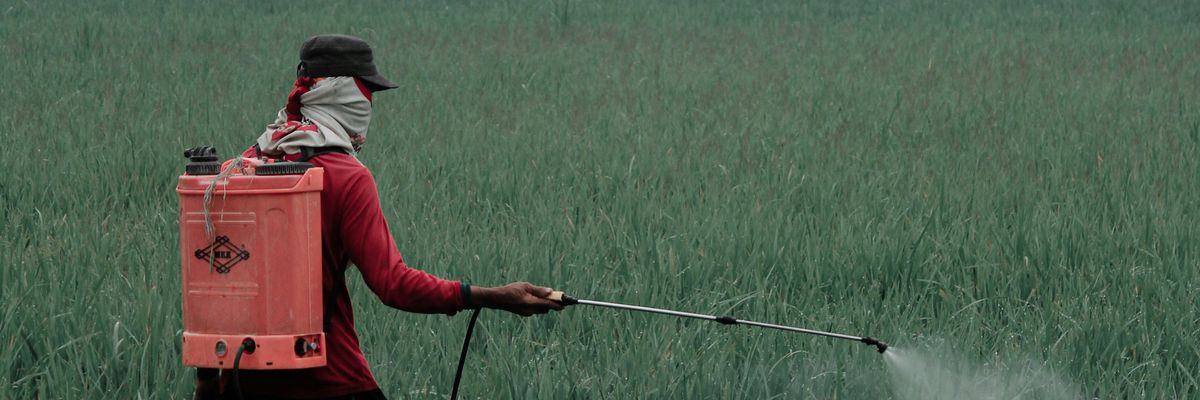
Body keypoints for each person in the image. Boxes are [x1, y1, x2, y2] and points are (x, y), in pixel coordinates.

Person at [194, 34, 563, 400]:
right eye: (366, 92)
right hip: (330, 382)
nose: (370, 103)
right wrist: (493, 296)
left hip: (240, 384)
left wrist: (207, 384)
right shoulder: (347, 177)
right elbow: (394, 284)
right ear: (344, 93)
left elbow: (212, 285)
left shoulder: (237, 168)